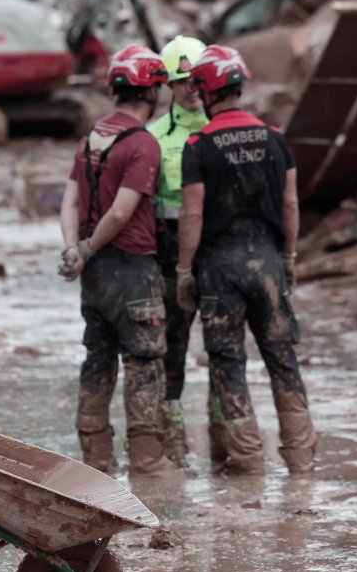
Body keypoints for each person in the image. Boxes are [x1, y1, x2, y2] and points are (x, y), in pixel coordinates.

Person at [175, 45, 317, 475]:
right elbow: (291, 204)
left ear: (205, 90)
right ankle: (301, 460)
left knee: (228, 363)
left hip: (220, 269)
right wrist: (288, 257)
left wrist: (184, 270)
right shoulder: (276, 138)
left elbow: (193, 213)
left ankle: (250, 463)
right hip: (269, 263)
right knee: (282, 357)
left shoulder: (198, 145)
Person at [56, 45, 178, 478]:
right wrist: (87, 249)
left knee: (98, 359)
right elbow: (123, 211)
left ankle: (96, 465)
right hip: (131, 269)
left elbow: (69, 200)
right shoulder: (143, 144)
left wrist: (75, 250)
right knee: (144, 363)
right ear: (153, 91)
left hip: (95, 276)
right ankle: (147, 462)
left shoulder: (91, 137)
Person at [147, 36, 209, 467]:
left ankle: (230, 445)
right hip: (168, 253)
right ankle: (173, 443)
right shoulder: (152, 136)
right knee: (173, 346)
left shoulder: (221, 128)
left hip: (217, 250)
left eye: (198, 80)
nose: (191, 88)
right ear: (169, 84)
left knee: (225, 347)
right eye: (182, 81)